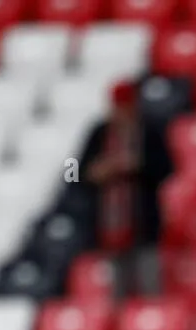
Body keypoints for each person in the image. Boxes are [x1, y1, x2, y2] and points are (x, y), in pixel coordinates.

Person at [79, 79, 171, 298]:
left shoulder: (149, 131)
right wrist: (102, 171)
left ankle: (148, 326)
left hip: (144, 223)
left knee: (150, 289)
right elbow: (79, 172)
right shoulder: (100, 133)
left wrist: (136, 166)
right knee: (115, 294)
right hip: (108, 226)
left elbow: (166, 168)